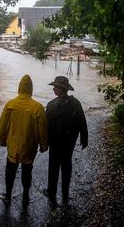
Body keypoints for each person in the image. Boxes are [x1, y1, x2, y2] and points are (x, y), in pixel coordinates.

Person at [0, 74, 48, 205]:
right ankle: (25, 196)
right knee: (27, 171)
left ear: (19, 87)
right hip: (29, 147)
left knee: (10, 171)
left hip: (13, 146)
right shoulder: (38, 107)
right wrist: (43, 145)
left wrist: (2, 140)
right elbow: (42, 129)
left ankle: (8, 195)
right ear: (31, 89)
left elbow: (2, 125)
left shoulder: (10, 104)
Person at [45, 76, 88, 204]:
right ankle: (65, 192)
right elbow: (82, 122)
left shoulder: (51, 105)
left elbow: (46, 127)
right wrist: (84, 139)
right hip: (69, 142)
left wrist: (44, 142)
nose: (53, 88)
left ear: (59, 89)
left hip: (55, 143)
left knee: (53, 166)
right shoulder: (76, 103)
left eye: (55, 87)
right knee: (66, 165)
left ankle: (52, 192)